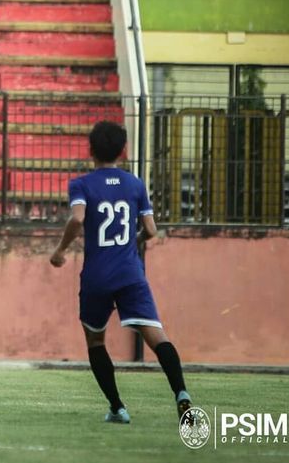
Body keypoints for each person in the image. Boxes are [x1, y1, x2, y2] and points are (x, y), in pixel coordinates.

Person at [49, 121, 192, 423]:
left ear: (90, 150)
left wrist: (60, 250)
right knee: (157, 336)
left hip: (97, 276)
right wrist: (133, 241)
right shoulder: (135, 184)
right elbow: (151, 230)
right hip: (130, 273)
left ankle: (117, 407)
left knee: (96, 342)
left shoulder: (81, 184)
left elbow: (77, 219)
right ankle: (181, 393)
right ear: (123, 151)